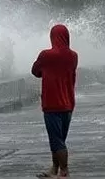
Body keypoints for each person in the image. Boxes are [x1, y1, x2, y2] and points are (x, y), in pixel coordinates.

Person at [31, 23, 78, 178]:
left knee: (56, 139)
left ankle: (64, 172)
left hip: (52, 104)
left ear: (52, 37)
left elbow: (35, 71)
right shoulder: (73, 56)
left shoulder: (46, 55)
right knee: (58, 139)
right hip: (68, 104)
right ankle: (54, 169)